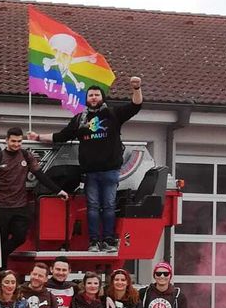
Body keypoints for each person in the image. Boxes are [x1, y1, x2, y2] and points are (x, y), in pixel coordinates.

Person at [30, 77, 143, 252]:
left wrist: (136, 88)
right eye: (91, 95)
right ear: (86, 98)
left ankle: (109, 241)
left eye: (97, 94)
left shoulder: (113, 114)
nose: (94, 97)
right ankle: (94, 242)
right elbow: (61, 136)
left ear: (102, 97)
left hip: (110, 171)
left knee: (109, 206)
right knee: (92, 207)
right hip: (90, 172)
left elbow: (136, 106)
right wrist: (38, 137)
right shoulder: (79, 120)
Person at [0, 128, 69, 268]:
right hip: (2, 206)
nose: (16, 144)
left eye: (19, 141)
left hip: (20, 205)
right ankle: (2, 271)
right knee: (1, 239)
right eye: (13, 141)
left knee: (20, 236)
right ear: (6, 140)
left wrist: (58, 190)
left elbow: (40, 175)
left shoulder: (26, 156)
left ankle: (0, 255)